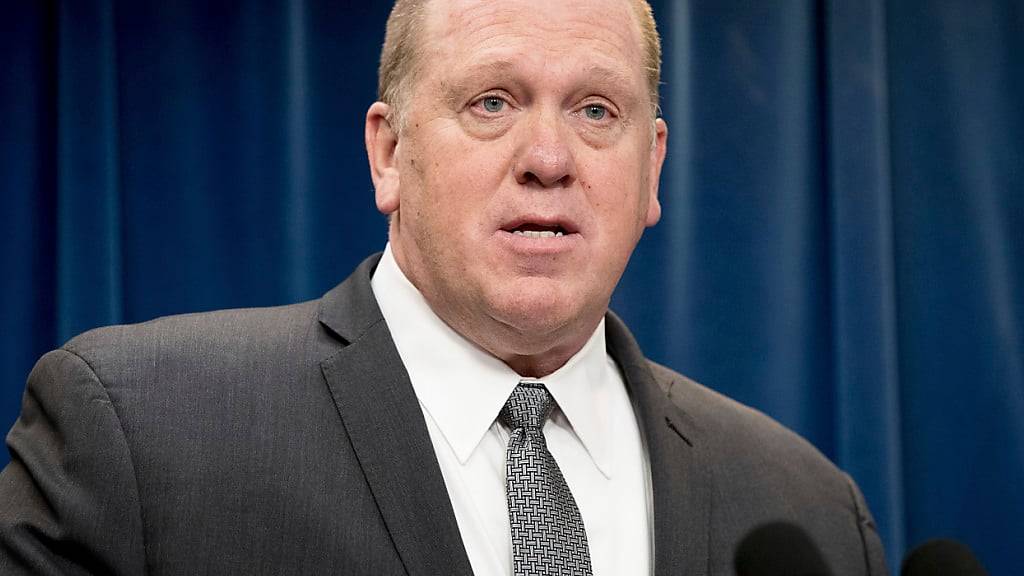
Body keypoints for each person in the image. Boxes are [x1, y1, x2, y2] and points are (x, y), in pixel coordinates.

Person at [0, 0, 888, 574]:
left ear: (652, 167)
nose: (548, 161)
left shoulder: (805, 512)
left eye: (595, 112)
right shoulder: (142, 436)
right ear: (389, 152)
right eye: (492, 103)